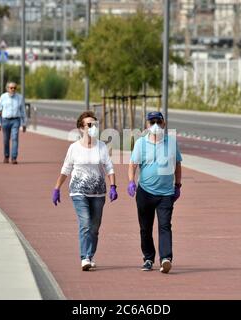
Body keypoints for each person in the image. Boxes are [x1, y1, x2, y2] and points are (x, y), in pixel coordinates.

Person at [52, 111, 118, 271]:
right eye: (89, 125)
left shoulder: (101, 146)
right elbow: (66, 168)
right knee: (86, 223)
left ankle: (90, 254)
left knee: (95, 228)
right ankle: (85, 257)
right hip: (78, 191)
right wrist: (57, 188)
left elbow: (109, 167)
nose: (93, 127)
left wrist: (113, 186)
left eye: (95, 124)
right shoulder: (74, 148)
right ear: (81, 128)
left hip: (98, 193)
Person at [127, 111, 182, 274]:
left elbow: (178, 164)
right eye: (152, 122)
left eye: (159, 122)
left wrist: (178, 185)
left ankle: (166, 258)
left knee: (165, 225)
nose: (155, 125)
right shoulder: (140, 144)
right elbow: (132, 164)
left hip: (166, 194)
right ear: (147, 125)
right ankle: (148, 258)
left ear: (164, 124)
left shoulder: (171, 143)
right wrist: (131, 181)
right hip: (145, 192)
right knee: (145, 228)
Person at [0, 82, 27, 164]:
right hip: (5, 120)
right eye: (11, 88)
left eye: (14, 88)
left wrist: (24, 124)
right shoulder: (3, 97)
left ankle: (14, 158)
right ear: (7, 89)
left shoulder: (20, 97)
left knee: (15, 138)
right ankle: (6, 156)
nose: (13, 89)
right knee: (6, 140)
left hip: (16, 120)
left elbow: (23, 111)